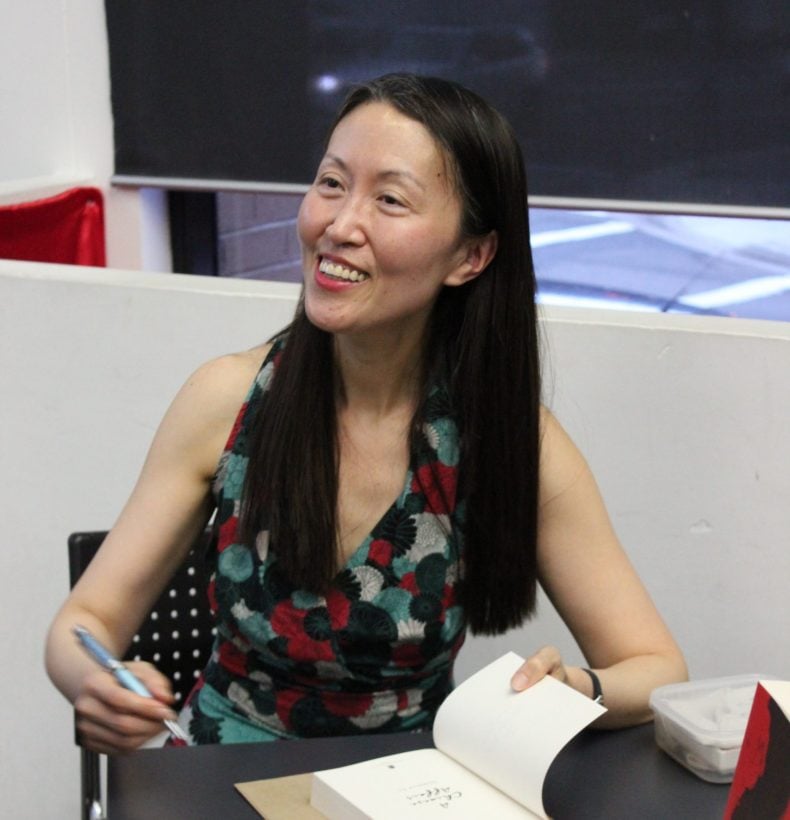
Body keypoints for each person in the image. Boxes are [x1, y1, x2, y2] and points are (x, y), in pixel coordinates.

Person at [45, 73, 687, 753]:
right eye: (330, 183)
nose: (340, 225)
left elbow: (656, 669)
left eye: (389, 199)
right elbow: (82, 622)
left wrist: (576, 689)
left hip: (407, 789)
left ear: (471, 256)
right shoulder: (226, 399)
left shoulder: (509, 440)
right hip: (217, 780)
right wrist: (93, 682)